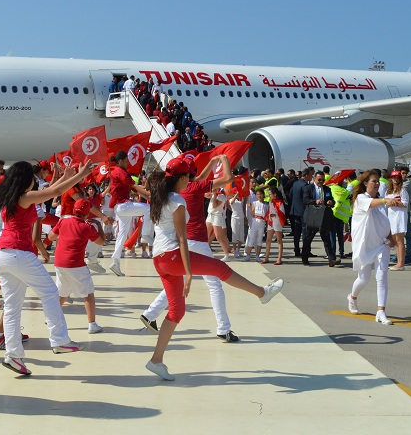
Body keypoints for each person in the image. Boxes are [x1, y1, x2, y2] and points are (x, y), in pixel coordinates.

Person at [144, 158, 283, 381]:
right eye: (188, 176)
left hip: (159, 259)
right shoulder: (177, 199)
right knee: (219, 268)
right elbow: (181, 237)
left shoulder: (159, 196)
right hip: (172, 255)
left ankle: (156, 360)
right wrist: (188, 272)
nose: (191, 180)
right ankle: (262, 293)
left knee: (176, 312)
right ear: (181, 178)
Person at [0, 159, 94, 376]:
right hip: (18, 252)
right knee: (50, 292)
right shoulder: (26, 197)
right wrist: (81, 174)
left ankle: (13, 355)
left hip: (2, 254)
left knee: (12, 307)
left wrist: (66, 177)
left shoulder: (10, 197)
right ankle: (59, 340)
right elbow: (54, 191)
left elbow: (51, 190)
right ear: (26, 180)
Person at [140, 155, 238, 343]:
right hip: (195, 242)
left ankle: (150, 313)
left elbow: (199, 177)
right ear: (185, 176)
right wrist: (224, 159)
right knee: (215, 282)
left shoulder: (174, 189)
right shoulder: (195, 187)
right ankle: (223, 328)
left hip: (175, 245)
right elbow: (226, 179)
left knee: (177, 283)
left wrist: (210, 163)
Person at [46, 199, 107, 334]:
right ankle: (92, 324)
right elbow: (101, 242)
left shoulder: (63, 221)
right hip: (76, 264)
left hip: (60, 263)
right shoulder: (87, 227)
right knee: (88, 294)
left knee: (62, 292)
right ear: (87, 214)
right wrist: (99, 225)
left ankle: (51, 318)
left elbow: (50, 237)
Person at [347, 172, 399, 325]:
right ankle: (352, 297)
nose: (376, 184)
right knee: (363, 279)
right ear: (365, 183)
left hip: (381, 245)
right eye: (373, 181)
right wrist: (386, 200)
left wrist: (390, 237)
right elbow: (371, 204)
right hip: (364, 247)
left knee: (382, 277)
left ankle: (381, 312)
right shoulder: (360, 199)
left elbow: (384, 221)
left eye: (378, 182)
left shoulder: (381, 203)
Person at [107, 151, 151, 276]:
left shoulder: (120, 171)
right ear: (120, 161)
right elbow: (136, 187)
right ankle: (146, 235)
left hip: (120, 207)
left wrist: (148, 195)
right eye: (126, 161)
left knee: (122, 234)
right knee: (148, 209)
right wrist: (149, 195)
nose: (127, 163)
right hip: (123, 205)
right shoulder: (120, 172)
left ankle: (115, 262)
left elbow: (135, 189)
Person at [386, 171, 410, 270]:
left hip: (399, 216)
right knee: (395, 240)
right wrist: (391, 202)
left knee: (400, 240)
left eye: (397, 178)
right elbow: (386, 203)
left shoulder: (402, 191)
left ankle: (401, 263)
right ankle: (398, 262)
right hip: (391, 216)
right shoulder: (388, 192)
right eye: (393, 178)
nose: (395, 180)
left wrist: (395, 202)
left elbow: (405, 204)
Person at [261, 187, 286, 265]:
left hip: (277, 222)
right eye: (269, 194)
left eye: (270, 194)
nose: (269, 196)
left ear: (275, 194)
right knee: (268, 240)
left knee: (279, 240)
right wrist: (268, 216)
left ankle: (279, 258)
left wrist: (275, 215)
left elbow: (282, 213)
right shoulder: (270, 202)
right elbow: (269, 211)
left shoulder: (280, 202)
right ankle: (266, 257)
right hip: (271, 222)